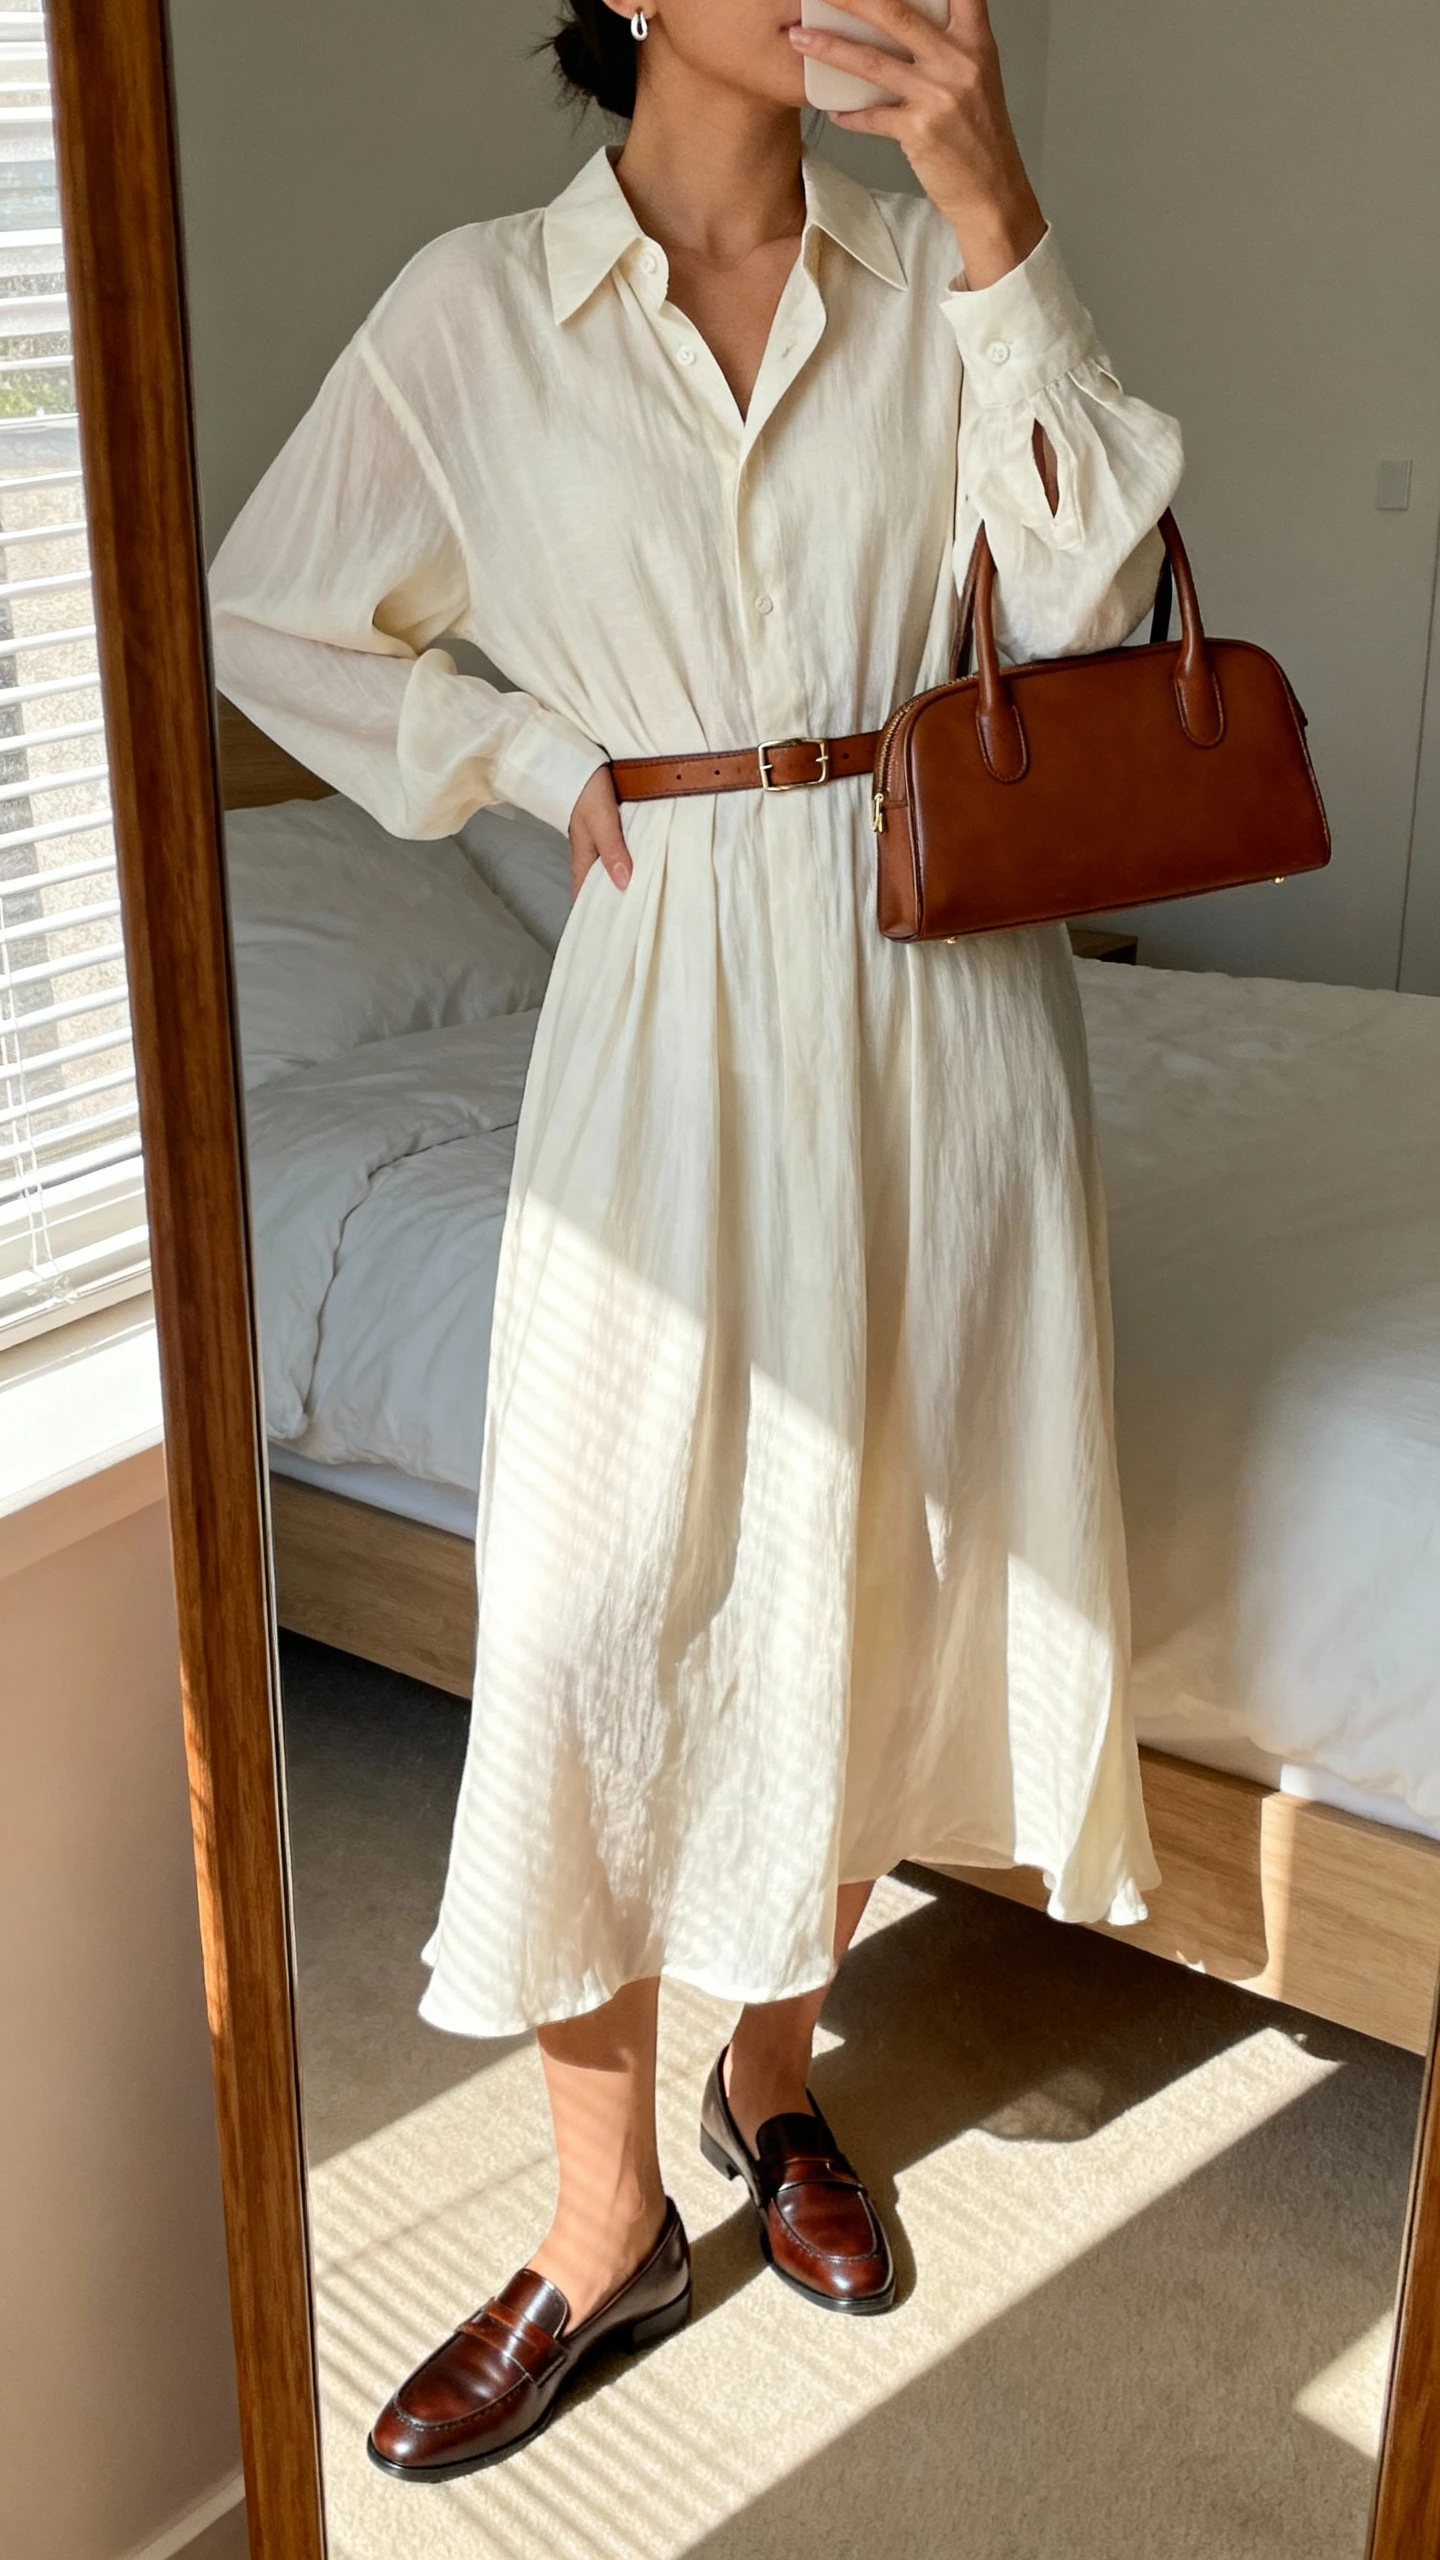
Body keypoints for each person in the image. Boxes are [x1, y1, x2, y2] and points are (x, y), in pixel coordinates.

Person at [210, 0, 1182, 2481]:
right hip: (663, 1010)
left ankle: (777, 2084)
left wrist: (992, 206)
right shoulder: (474, 311)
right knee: (600, 1594)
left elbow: (1091, 601)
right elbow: (276, 611)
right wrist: (531, 760)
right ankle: (587, 2217)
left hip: (942, 1014)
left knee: (851, 1558)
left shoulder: (924, 285)